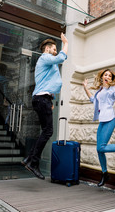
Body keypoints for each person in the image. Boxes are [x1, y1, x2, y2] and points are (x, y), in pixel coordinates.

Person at [22, 33, 68, 180]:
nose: (55, 52)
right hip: (42, 99)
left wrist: (51, 97)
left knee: (46, 131)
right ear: (47, 49)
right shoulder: (45, 57)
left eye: (56, 49)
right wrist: (66, 44)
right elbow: (61, 58)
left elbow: (49, 80)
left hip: (43, 98)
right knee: (48, 131)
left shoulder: (48, 62)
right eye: (54, 49)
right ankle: (33, 162)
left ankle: (29, 159)